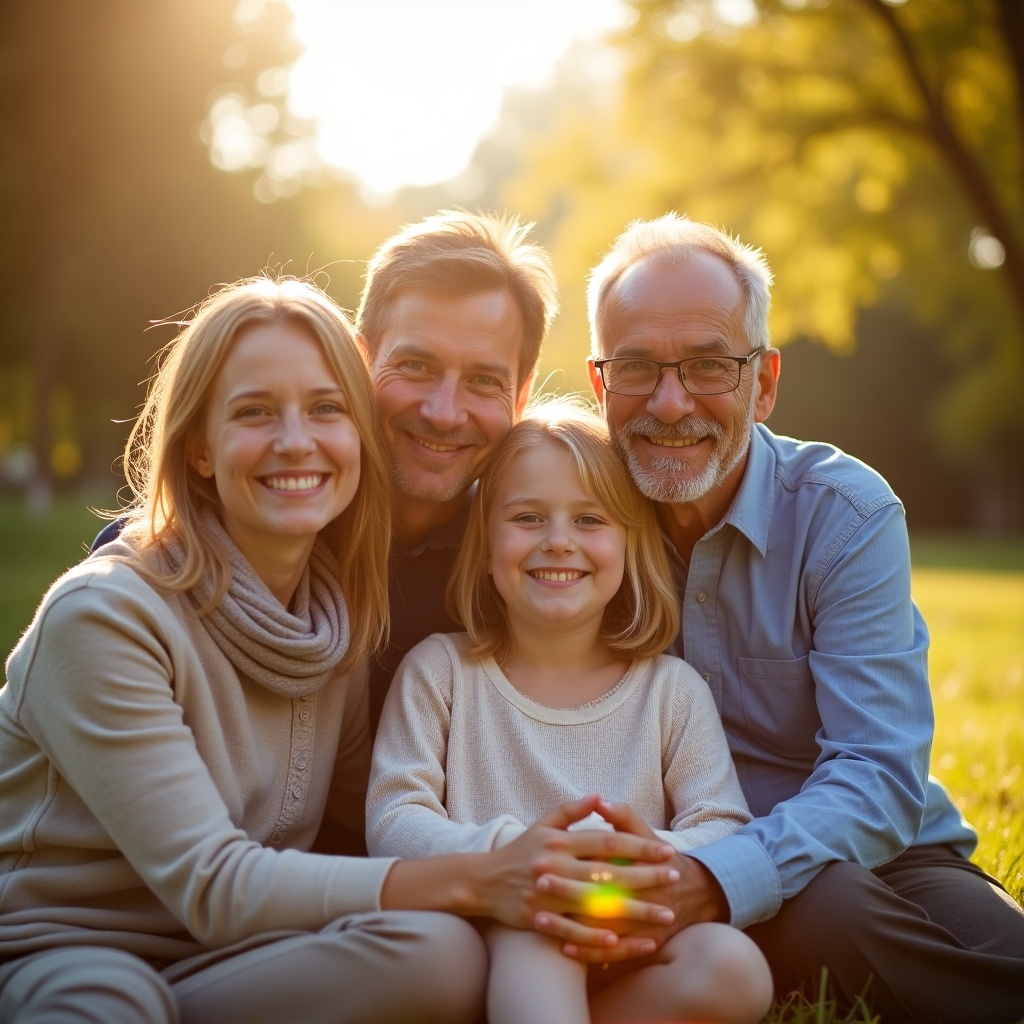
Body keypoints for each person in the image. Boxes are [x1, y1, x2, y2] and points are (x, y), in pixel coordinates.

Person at [0, 278, 673, 1023]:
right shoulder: (105, 617)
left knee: (437, 952)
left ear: (357, 434)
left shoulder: (335, 617)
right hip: (76, 949)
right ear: (198, 448)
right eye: (255, 412)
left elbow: (369, 823)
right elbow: (215, 884)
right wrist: (485, 877)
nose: (297, 441)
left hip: (240, 952)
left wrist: (558, 872)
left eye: (326, 409)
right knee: (111, 1005)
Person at [567, 213, 1024, 1022]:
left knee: (989, 945)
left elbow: (880, 775)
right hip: (692, 862)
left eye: (709, 365)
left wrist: (719, 880)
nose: (670, 403)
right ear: (602, 385)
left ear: (764, 383)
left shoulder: (843, 514)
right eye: (637, 367)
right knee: (830, 912)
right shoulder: (570, 519)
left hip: (891, 850)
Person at [368, 401, 773, 1024]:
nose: (558, 541)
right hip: (491, 927)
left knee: (734, 969)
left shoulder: (670, 689)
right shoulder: (440, 672)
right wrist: (523, 859)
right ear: (482, 546)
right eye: (528, 517)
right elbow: (395, 818)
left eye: (590, 519)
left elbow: (722, 821)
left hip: (626, 921)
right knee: (542, 933)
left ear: (630, 547)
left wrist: (621, 866)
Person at [354, 208, 559, 735]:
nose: (444, 413)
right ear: (361, 359)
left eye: (483, 380)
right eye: (416, 366)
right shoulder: (270, 526)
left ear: (521, 393)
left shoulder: (535, 567)